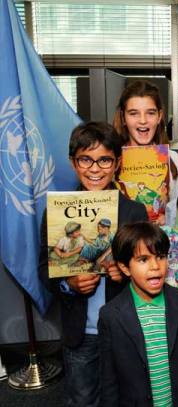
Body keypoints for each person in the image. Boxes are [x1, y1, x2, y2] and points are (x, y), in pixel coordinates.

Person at [38, 121, 148, 407]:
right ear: (73, 163)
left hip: (125, 328)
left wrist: (126, 273)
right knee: (83, 398)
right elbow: (44, 269)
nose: (95, 168)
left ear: (117, 163)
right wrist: (69, 284)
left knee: (129, 397)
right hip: (82, 331)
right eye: (85, 159)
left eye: (104, 160)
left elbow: (148, 266)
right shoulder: (57, 212)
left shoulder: (134, 211)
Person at [97, 222, 178, 406]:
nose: (155, 266)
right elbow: (108, 378)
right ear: (125, 268)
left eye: (161, 257)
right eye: (143, 259)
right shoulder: (110, 315)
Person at [113, 80, 178, 225]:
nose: (143, 120)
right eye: (134, 113)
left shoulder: (176, 162)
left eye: (150, 113)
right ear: (123, 118)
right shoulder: (110, 162)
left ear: (159, 116)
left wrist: (170, 220)